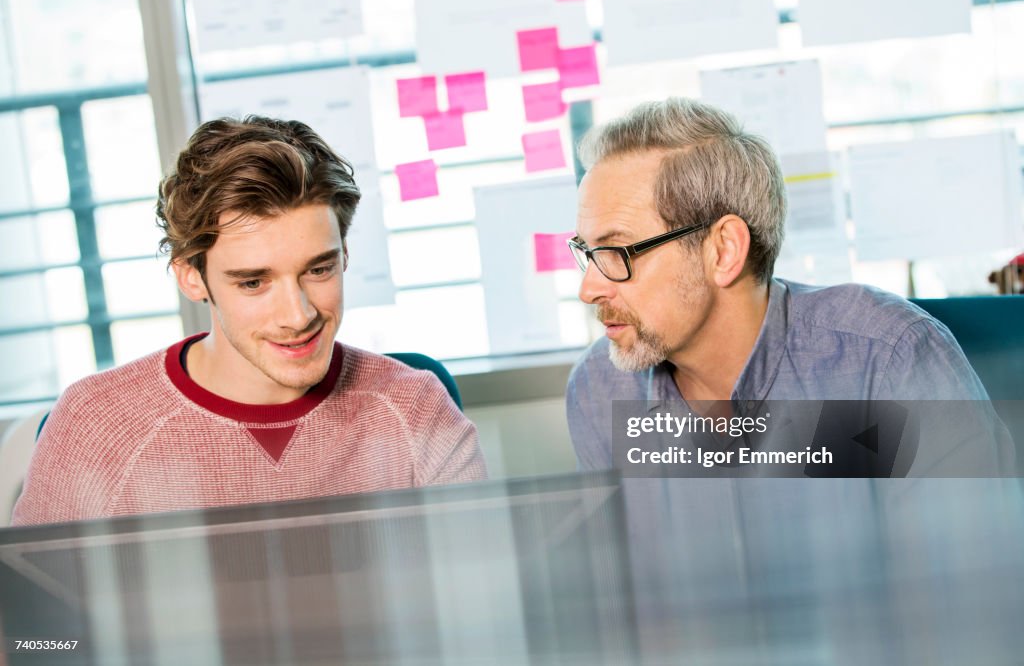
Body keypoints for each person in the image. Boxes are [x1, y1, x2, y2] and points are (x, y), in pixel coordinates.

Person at [12, 116, 486, 526]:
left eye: (319, 269)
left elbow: (486, 600)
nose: (298, 315)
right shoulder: (96, 426)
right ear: (191, 277)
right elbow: (34, 632)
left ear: (344, 254)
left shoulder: (415, 407)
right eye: (254, 282)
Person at [565, 97, 1014, 476]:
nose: (588, 289)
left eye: (615, 253)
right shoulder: (600, 389)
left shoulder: (886, 361)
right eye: (587, 252)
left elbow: (977, 565)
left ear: (723, 251)